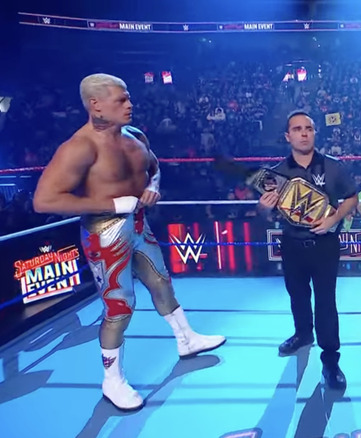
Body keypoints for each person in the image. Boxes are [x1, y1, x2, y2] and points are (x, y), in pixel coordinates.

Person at [32, 73, 225, 410]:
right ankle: (112, 381)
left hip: (138, 223)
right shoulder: (80, 148)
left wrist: (153, 187)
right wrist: (109, 205)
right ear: (95, 105)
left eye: (128, 97)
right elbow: (44, 201)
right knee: (120, 308)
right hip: (104, 232)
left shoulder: (134, 135)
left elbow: (154, 167)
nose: (130, 104)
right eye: (120, 100)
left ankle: (187, 339)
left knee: (162, 284)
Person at [257, 110, 358, 390]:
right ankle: (303, 334)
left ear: (314, 133)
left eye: (308, 128)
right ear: (288, 136)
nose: (303, 133)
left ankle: (331, 360)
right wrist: (263, 208)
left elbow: (352, 197)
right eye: (297, 129)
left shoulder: (333, 166)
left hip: (325, 245)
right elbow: (265, 214)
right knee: (297, 296)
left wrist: (334, 219)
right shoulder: (276, 173)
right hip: (291, 244)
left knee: (325, 302)